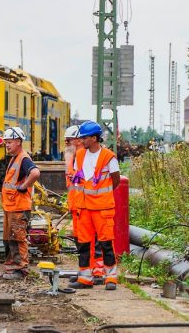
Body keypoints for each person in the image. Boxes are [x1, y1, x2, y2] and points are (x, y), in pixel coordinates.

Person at [69, 121, 121, 291]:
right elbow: (79, 178)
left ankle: (110, 277)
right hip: (83, 207)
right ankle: (85, 278)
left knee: (106, 243)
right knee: (84, 243)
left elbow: (116, 180)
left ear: (94, 138)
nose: (81, 140)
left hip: (102, 208)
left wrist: (102, 194)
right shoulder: (80, 155)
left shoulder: (109, 157)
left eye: (84, 137)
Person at [0, 127, 41, 280]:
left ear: (19, 142)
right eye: (6, 143)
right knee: (8, 240)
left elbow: (35, 173)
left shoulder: (23, 158)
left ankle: (21, 270)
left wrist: (24, 186)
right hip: (10, 207)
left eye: (10, 142)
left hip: (19, 208)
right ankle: (10, 269)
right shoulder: (15, 158)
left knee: (17, 238)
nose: (7, 145)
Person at [65, 125, 104, 285]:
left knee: (92, 240)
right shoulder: (76, 157)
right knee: (82, 242)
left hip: (88, 206)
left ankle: (97, 273)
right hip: (78, 206)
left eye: (69, 141)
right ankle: (86, 272)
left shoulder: (88, 158)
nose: (67, 145)